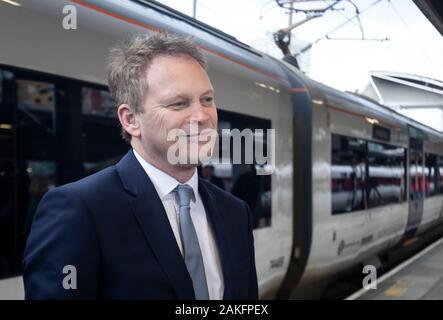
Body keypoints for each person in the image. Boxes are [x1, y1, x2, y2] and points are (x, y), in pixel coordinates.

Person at [23, 33, 258, 300]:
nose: (202, 116)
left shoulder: (235, 213)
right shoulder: (80, 210)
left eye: (207, 100)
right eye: (179, 103)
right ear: (131, 119)